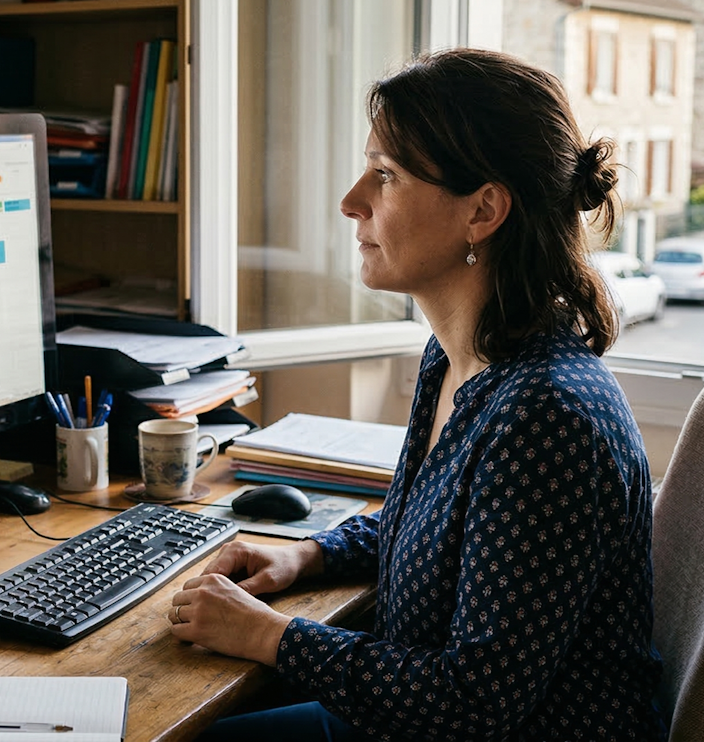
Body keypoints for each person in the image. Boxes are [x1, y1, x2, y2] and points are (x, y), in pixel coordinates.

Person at [167, 48, 666, 741]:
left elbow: (472, 705)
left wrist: (270, 635)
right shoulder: (458, 356)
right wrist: (307, 555)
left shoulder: (547, 417)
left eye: (386, 175)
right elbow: (433, 531)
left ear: (482, 210)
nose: (352, 201)